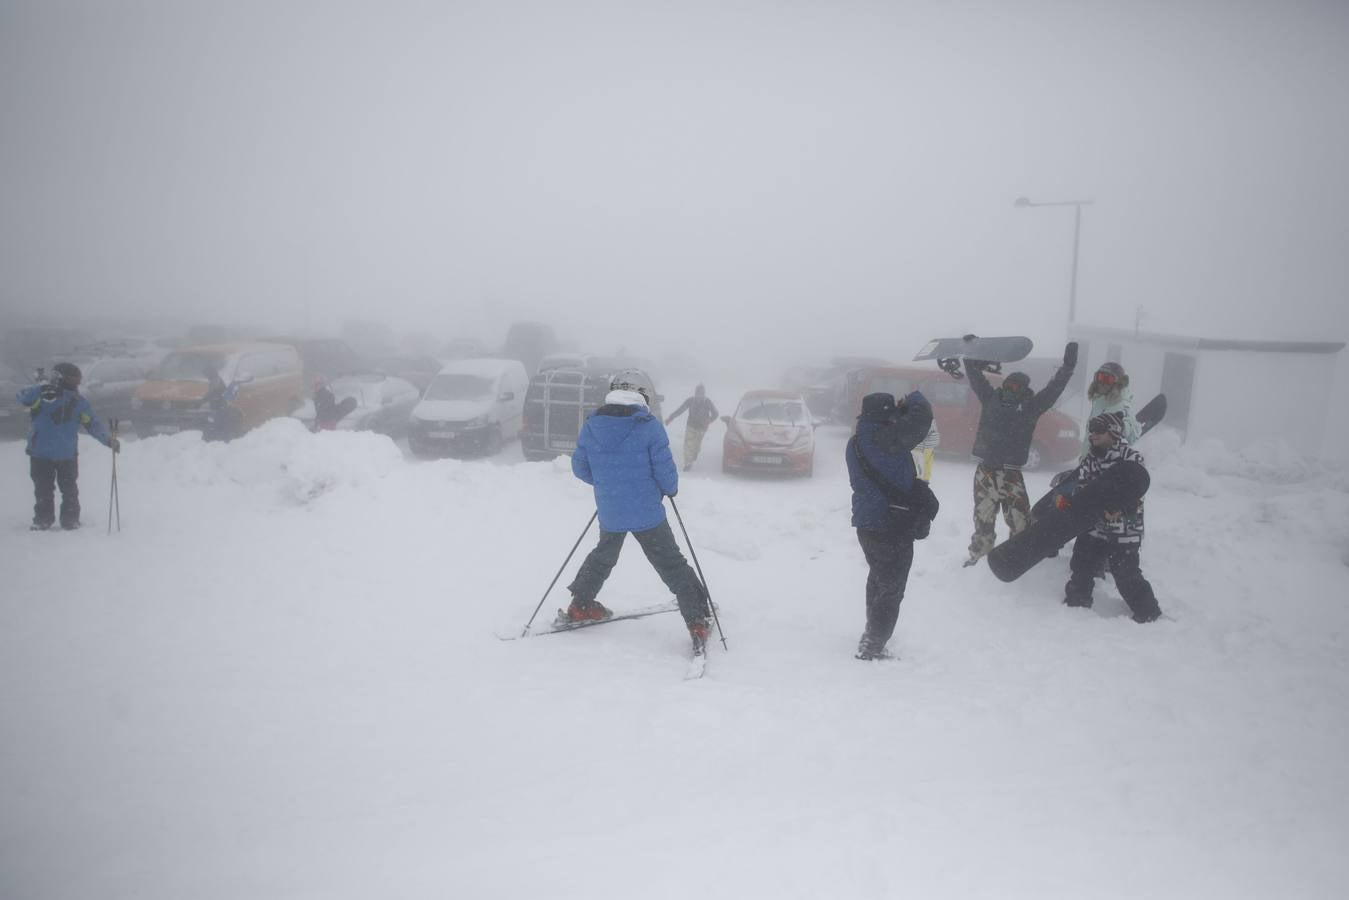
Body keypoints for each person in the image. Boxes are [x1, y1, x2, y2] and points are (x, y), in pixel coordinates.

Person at [567, 379, 713, 653]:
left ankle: (580, 605)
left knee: (603, 556)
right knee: (671, 563)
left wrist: (609, 485)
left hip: (612, 510)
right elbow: (665, 471)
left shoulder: (592, 425)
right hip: (647, 512)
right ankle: (697, 620)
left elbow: (580, 468)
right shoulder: (648, 426)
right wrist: (669, 490)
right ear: (640, 398)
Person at [962, 341, 1077, 566]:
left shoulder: (1031, 407)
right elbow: (975, 377)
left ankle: (1015, 560)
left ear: (1024, 391)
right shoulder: (990, 397)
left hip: (1011, 476)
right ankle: (979, 560)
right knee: (983, 522)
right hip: (985, 473)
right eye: (1008, 386)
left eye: (1016, 388)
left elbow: (1054, 389)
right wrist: (968, 352)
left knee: (1020, 524)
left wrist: (1068, 368)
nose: (1010, 390)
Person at [845, 391, 939, 660]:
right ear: (887, 413)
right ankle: (873, 644)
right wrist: (913, 399)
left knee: (878, 578)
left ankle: (871, 633)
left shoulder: (857, 442)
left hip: (867, 523)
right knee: (891, 586)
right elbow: (922, 417)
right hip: (893, 523)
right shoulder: (889, 438)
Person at [1062, 413, 1161, 623]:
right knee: (1082, 564)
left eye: (1099, 430)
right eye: (1092, 430)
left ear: (1113, 432)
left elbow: (1138, 488)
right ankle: (1077, 602)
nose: (1093, 434)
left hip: (1123, 527)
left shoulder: (1131, 457)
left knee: (1125, 573)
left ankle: (1148, 611)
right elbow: (1084, 486)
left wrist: (1121, 508)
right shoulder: (1091, 459)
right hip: (1095, 525)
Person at [15, 362, 119, 530]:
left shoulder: (78, 402)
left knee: (64, 489)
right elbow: (22, 397)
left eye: (78, 382)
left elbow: (92, 424)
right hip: (45, 453)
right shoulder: (42, 395)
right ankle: (46, 519)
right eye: (74, 381)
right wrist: (41, 387)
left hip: (62, 454)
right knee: (46, 489)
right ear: (60, 378)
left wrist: (108, 440)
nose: (76, 385)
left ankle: (66, 520)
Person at [1083, 361, 1141, 451]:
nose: (1102, 383)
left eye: (1107, 379)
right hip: (1089, 461)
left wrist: (1121, 426)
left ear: (1117, 383)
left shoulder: (1122, 404)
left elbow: (1134, 434)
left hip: (1105, 462)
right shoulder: (1099, 401)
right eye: (1100, 377)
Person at [664, 384, 719, 471]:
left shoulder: (708, 402)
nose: (699, 396)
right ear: (695, 393)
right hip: (691, 426)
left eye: (701, 394)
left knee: (696, 447)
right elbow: (680, 410)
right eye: (698, 393)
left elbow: (716, 414)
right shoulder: (690, 401)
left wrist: (709, 421)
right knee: (688, 445)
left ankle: (694, 455)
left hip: (702, 428)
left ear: (704, 394)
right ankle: (688, 463)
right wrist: (671, 418)